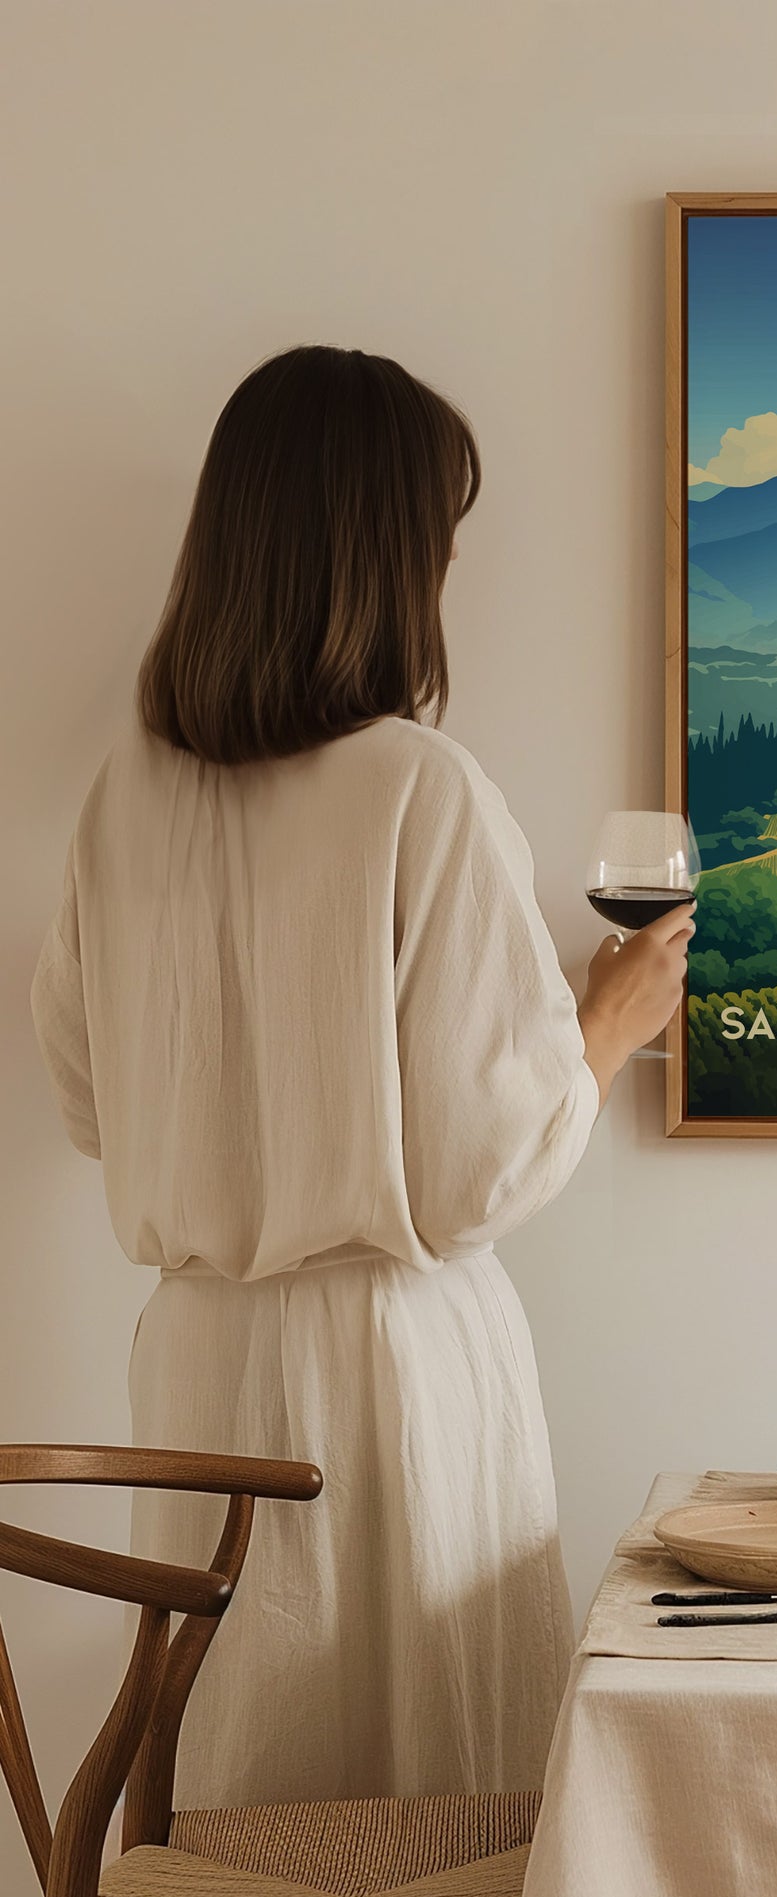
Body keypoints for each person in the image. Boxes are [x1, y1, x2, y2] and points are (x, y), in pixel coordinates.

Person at [29, 345, 689, 1806]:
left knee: (241, 1791)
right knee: (422, 1812)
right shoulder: (417, 786)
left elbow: (87, 1101)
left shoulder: (123, 797)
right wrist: (606, 1020)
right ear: (387, 557)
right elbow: (474, 1173)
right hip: (390, 1374)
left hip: (198, 1362)